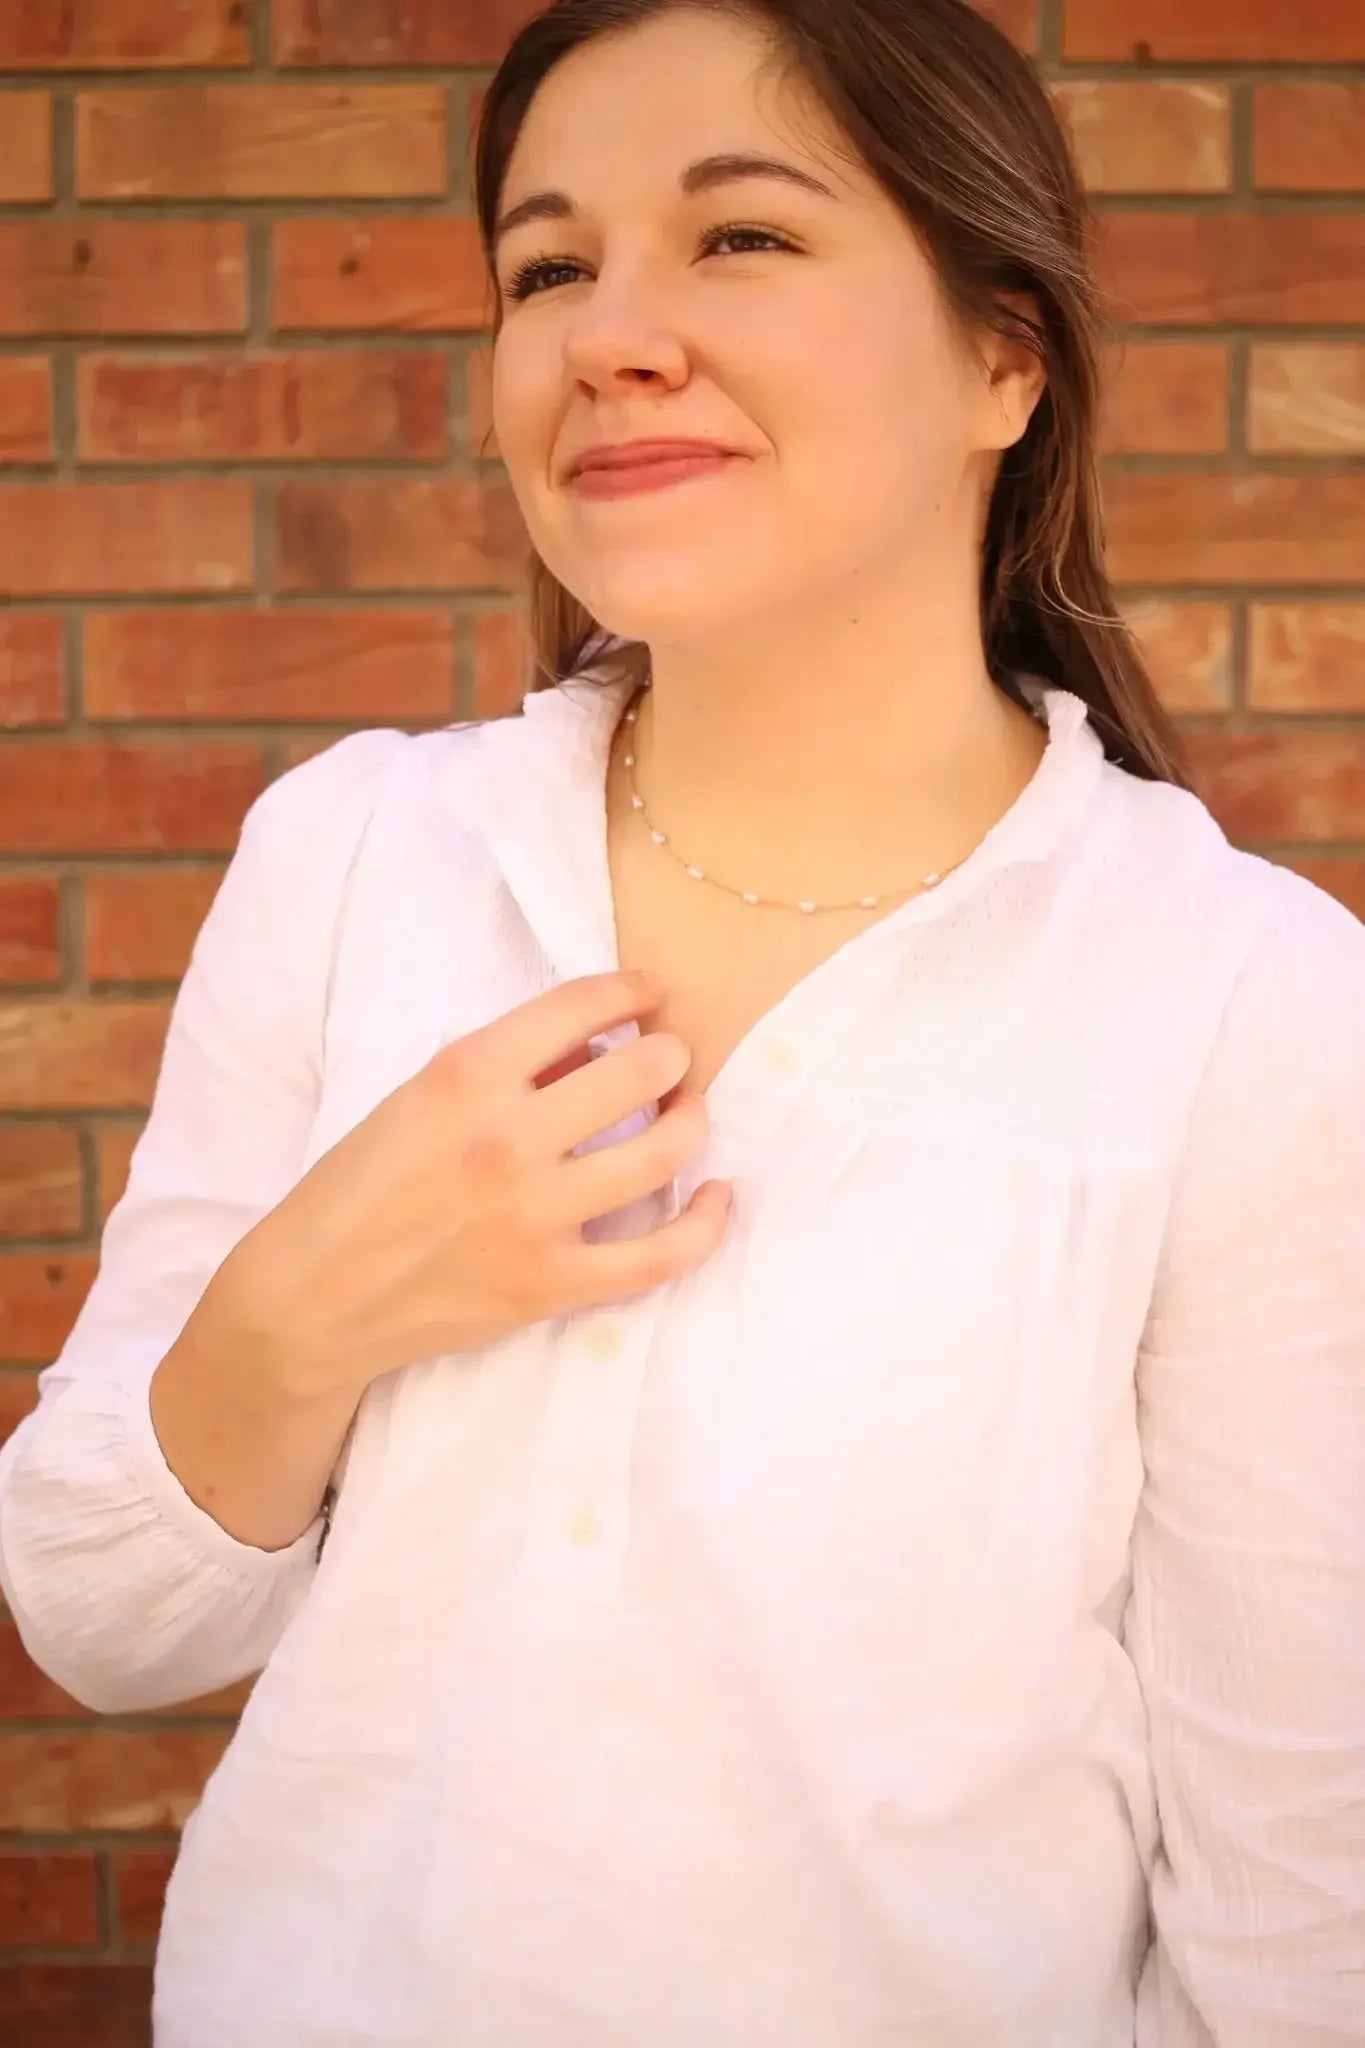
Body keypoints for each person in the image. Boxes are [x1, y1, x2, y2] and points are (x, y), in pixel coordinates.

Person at [1, 0, 1361, 2041]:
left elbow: (1294, 1893)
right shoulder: (357, 854)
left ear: (1004, 354)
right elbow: (98, 1616)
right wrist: (309, 1305)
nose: (606, 334)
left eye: (737, 237)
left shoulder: (1240, 997)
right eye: (546, 267)